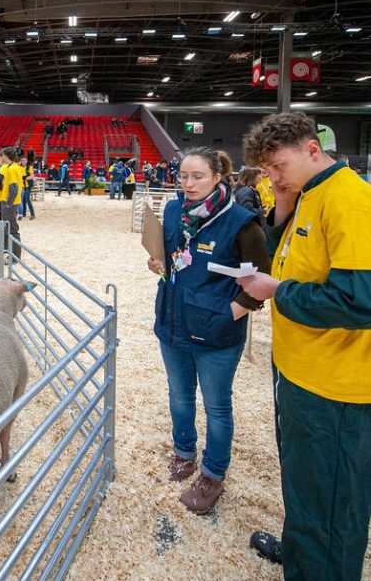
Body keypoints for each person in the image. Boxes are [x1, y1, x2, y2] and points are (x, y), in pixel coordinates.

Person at [237, 112, 371, 579]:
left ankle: (322, 568)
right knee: (304, 481)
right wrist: (279, 205)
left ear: (312, 150)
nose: (272, 177)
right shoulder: (308, 195)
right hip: (300, 368)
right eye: (267, 170)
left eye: (278, 166)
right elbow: (291, 259)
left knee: (332, 496)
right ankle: (301, 553)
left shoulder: (350, 200)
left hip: (334, 385)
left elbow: (359, 300)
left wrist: (277, 292)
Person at [146, 148, 271, 515]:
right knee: (179, 396)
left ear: (218, 176)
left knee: (217, 406)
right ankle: (184, 452)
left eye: (197, 176)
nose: (188, 183)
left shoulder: (242, 222)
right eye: (183, 176)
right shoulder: (172, 211)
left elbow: (260, 280)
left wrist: (230, 312)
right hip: (173, 323)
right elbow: (171, 261)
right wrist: (157, 265)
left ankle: (212, 474)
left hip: (216, 336)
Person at [1, 148, 24, 258]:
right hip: (13, 202)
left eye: (3, 155)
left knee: (12, 229)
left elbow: (13, 188)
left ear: (6, 156)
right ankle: (13, 254)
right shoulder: (15, 167)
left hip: (10, 203)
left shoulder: (11, 169)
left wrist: (8, 203)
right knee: (11, 228)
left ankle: (15, 256)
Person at [19, 155, 36, 220]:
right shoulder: (19, 167)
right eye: (22, 160)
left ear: (27, 161)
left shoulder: (30, 167)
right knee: (23, 200)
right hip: (22, 185)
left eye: (25, 160)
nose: (23, 162)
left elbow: (32, 176)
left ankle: (32, 214)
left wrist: (25, 178)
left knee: (27, 199)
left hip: (28, 185)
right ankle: (24, 213)